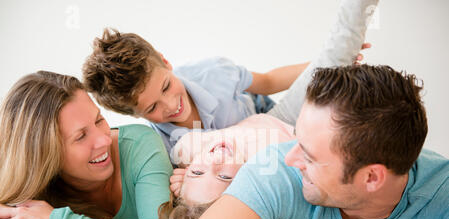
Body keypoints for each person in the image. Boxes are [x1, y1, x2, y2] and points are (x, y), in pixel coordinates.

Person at [166, 0, 449, 219]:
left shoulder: (439, 189)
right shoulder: (276, 170)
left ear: (372, 178)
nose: (291, 157)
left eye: (309, 156)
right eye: (296, 139)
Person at [81, 27, 368, 160]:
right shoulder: (162, 144)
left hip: (266, 117)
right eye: (152, 107)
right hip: (241, 163)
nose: (170, 105)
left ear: (165, 61)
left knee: (331, 121)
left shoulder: (214, 72)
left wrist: (326, 64)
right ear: (136, 114)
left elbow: (268, 80)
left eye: (167, 86)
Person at [0, 71, 173, 219]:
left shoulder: (140, 144)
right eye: (81, 136)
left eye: (99, 120)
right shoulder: (31, 193)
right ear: (44, 155)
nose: (104, 140)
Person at [159, 113, 295, 219]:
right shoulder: (268, 164)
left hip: (265, 116)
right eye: (224, 177)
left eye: (197, 172)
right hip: (289, 125)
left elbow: (184, 144)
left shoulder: (192, 150)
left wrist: (185, 179)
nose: (214, 161)